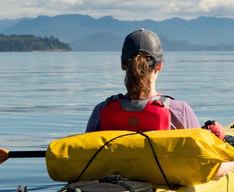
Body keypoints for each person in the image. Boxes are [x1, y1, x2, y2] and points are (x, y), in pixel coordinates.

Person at [85, 29, 223, 137]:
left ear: (123, 64)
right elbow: (202, 156)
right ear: (159, 65)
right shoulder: (179, 111)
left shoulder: (101, 111)